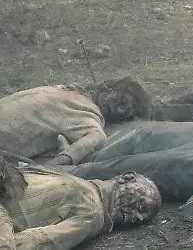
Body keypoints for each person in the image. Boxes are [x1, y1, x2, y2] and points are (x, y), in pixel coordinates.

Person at [0, 160, 160, 250]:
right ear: (127, 177)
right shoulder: (93, 212)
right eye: (141, 205)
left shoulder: (92, 208)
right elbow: (39, 241)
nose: (138, 216)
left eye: (142, 218)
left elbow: (39, 239)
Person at [0, 78, 150, 166]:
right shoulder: (85, 109)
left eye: (126, 113)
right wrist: (52, 167)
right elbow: (95, 138)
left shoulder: (64, 89)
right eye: (122, 101)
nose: (119, 110)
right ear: (109, 88)